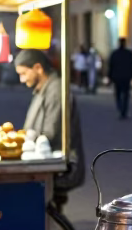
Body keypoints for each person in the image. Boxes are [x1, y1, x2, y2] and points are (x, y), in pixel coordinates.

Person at [14, 49, 85, 196]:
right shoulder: (43, 89)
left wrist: (26, 140)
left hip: (63, 167)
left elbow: (49, 133)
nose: (21, 80)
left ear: (38, 68)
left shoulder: (56, 90)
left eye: (24, 73)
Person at [107, 37, 132, 119]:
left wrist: (109, 77)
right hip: (126, 77)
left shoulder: (114, 54)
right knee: (126, 94)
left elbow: (111, 66)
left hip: (117, 77)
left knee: (118, 94)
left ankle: (120, 109)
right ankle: (124, 110)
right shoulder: (129, 54)